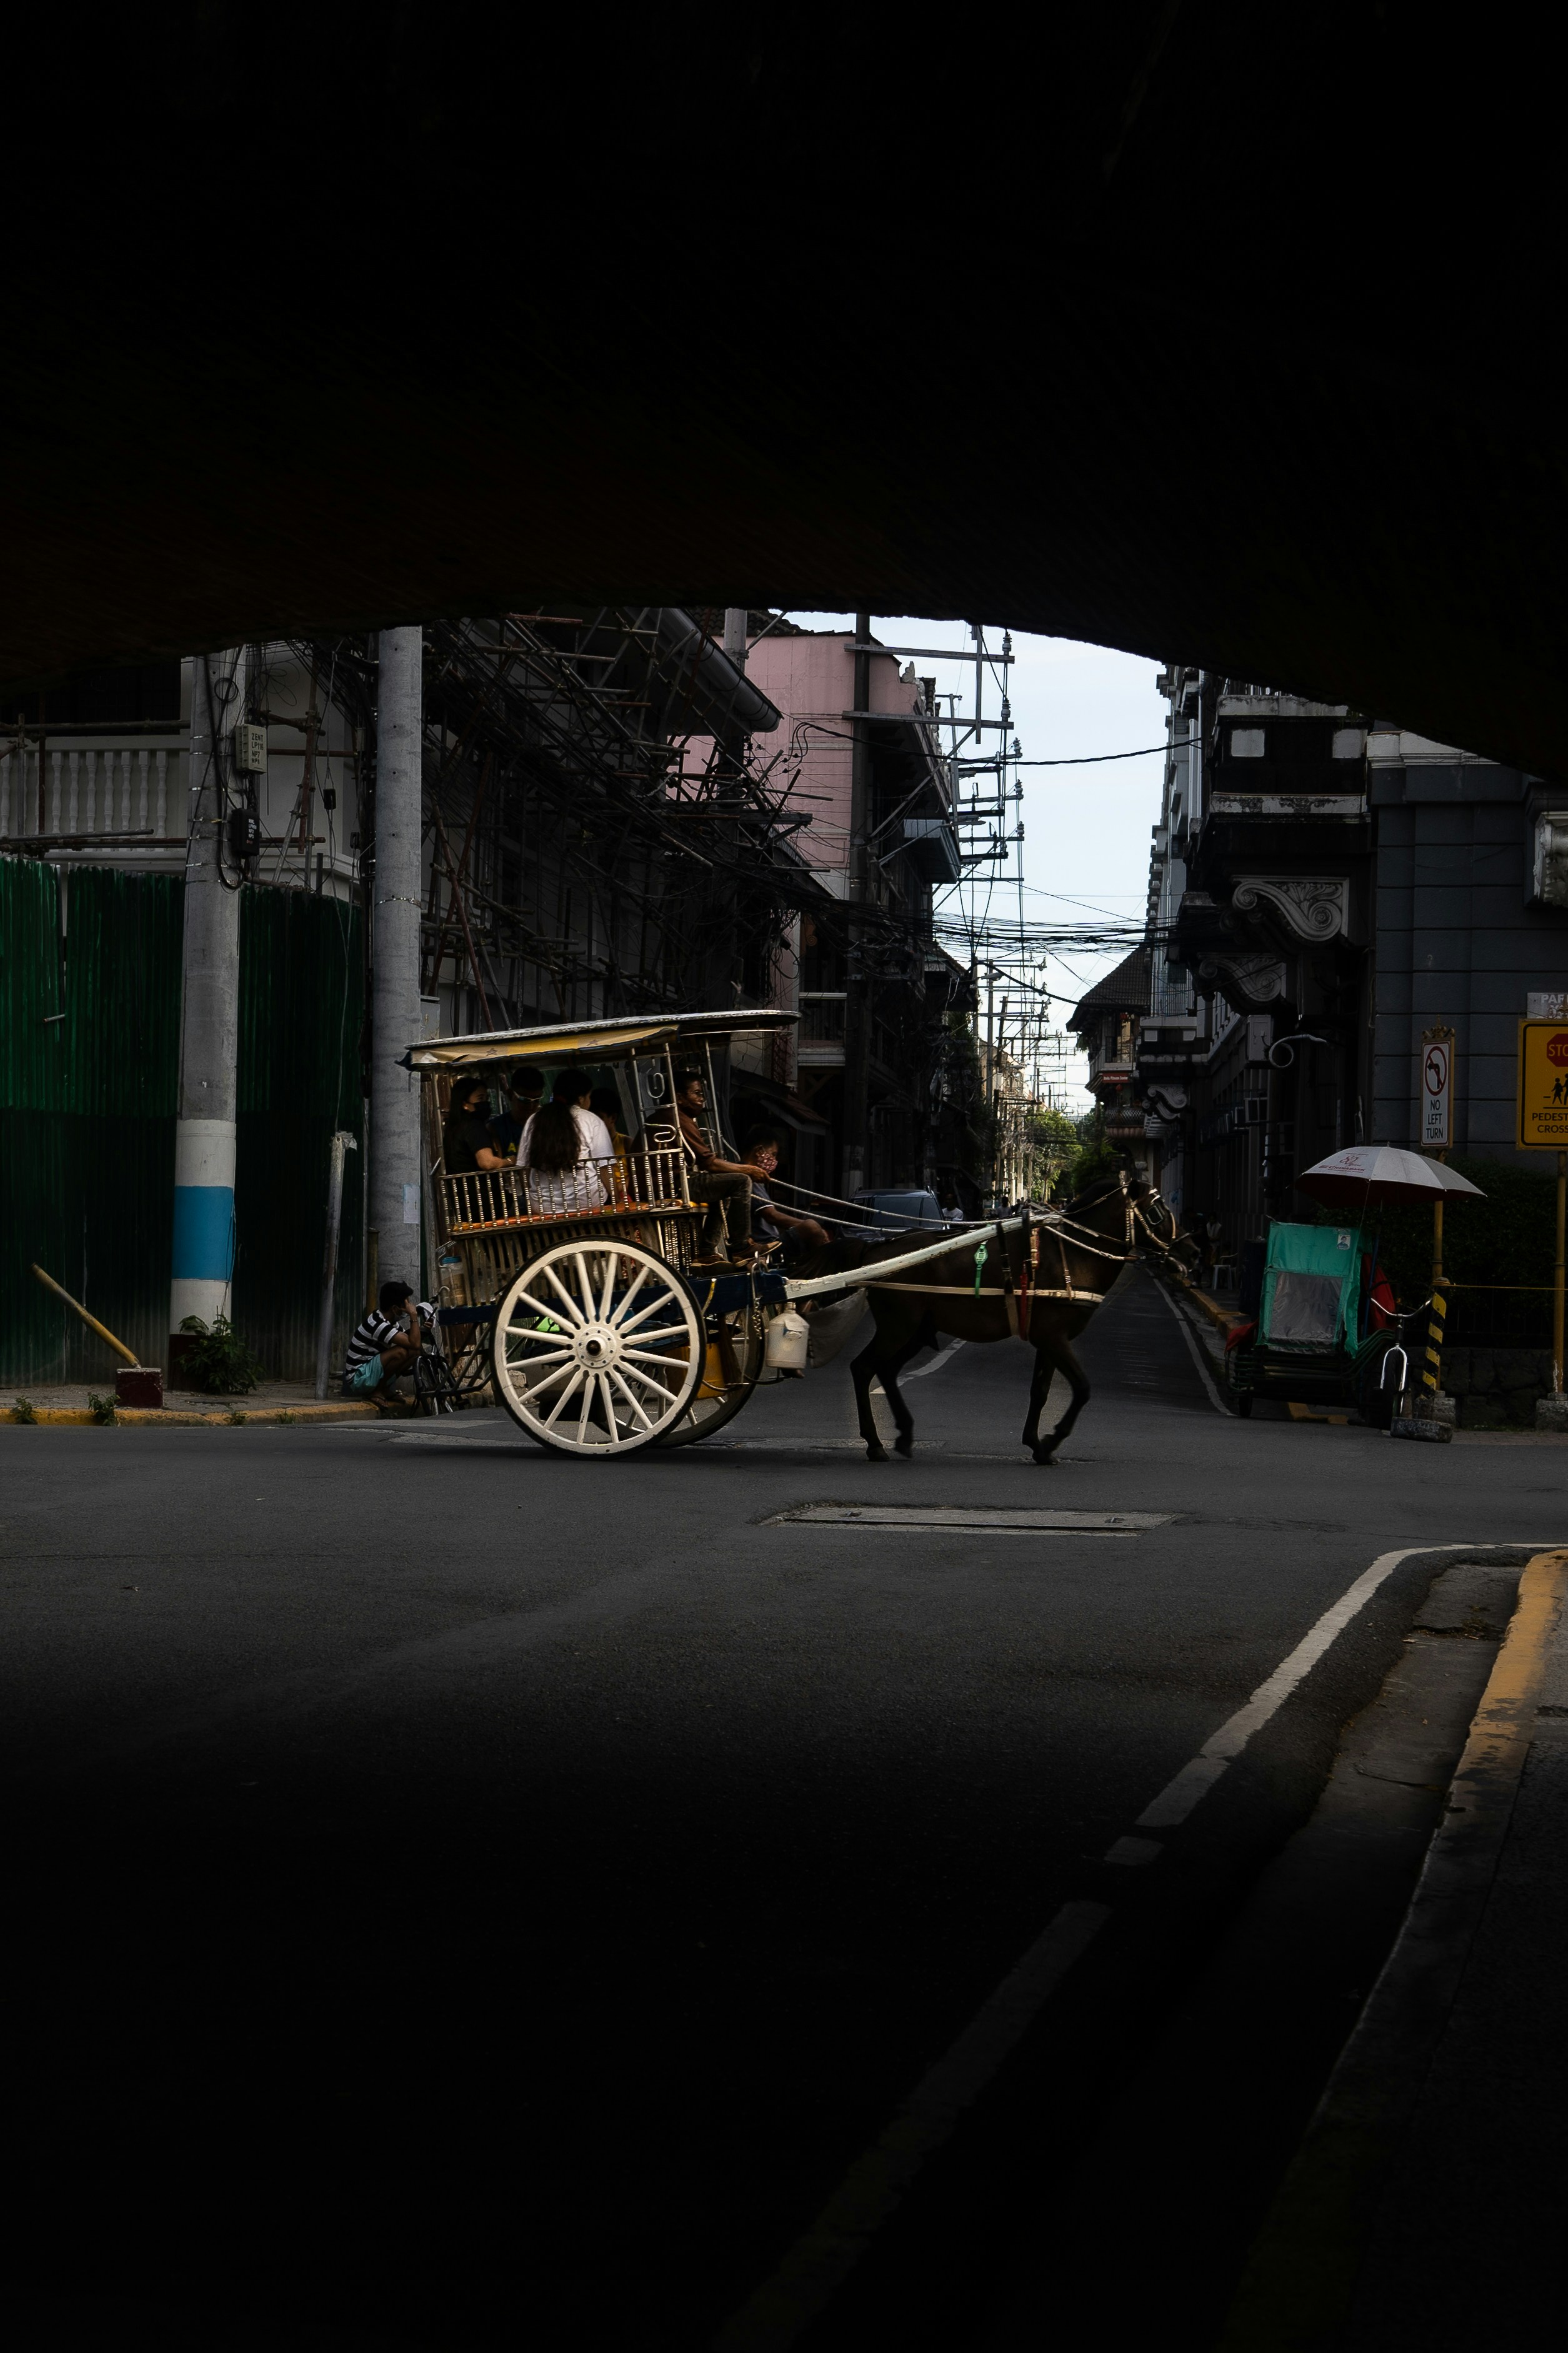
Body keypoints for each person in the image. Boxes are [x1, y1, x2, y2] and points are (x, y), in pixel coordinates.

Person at [669, 1068, 771, 1263]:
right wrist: (748, 1170)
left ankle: (706, 1251)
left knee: (723, 1186)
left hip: (677, 1181)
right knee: (741, 1181)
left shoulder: (679, 1117)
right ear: (680, 1098)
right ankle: (741, 1245)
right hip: (675, 1184)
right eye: (697, 1093)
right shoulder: (678, 1118)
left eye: (702, 1094)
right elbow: (709, 1163)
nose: (702, 1099)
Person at [519, 1064, 616, 1212]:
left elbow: (524, 1170)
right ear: (581, 1099)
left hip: (544, 1207)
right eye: (589, 1097)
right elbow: (605, 1169)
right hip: (588, 1204)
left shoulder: (534, 1120)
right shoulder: (592, 1121)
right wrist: (619, 1199)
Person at [742, 1126, 829, 1260]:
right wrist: (809, 1227)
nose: (774, 1161)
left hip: (771, 1243)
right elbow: (772, 1216)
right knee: (811, 1227)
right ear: (759, 1151)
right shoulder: (749, 1178)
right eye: (773, 1154)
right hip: (765, 1248)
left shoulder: (753, 1178)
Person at [341, 1281, 426, 1405]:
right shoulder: (378, 1324)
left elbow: (412, 1344)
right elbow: (414, 1343)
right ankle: (376, 1391)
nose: (409, 1308)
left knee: (414, 1353)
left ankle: (384, 1389)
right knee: (400, 1352)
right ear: (395, 1309)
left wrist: (424, 1329)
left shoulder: (389, 1322)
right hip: (358, 1379)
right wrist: (413, 1316)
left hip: (368, 1374)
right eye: (406, 1304)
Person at [443, 1078, 506, 1175]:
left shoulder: (454, 1128)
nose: (485, 1102)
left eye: (487, 1098)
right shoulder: (474, 1126)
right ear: (465, 1104)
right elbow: (487, 1163)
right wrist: (509, 1162)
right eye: (480, 1098)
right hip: (480, 1187)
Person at [489, 1065, 544, 1161]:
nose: (531, 1106)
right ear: (511, 1095)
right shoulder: (496, 1128)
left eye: (536, 1100)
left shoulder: (548, 1124)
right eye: (524, 1100)